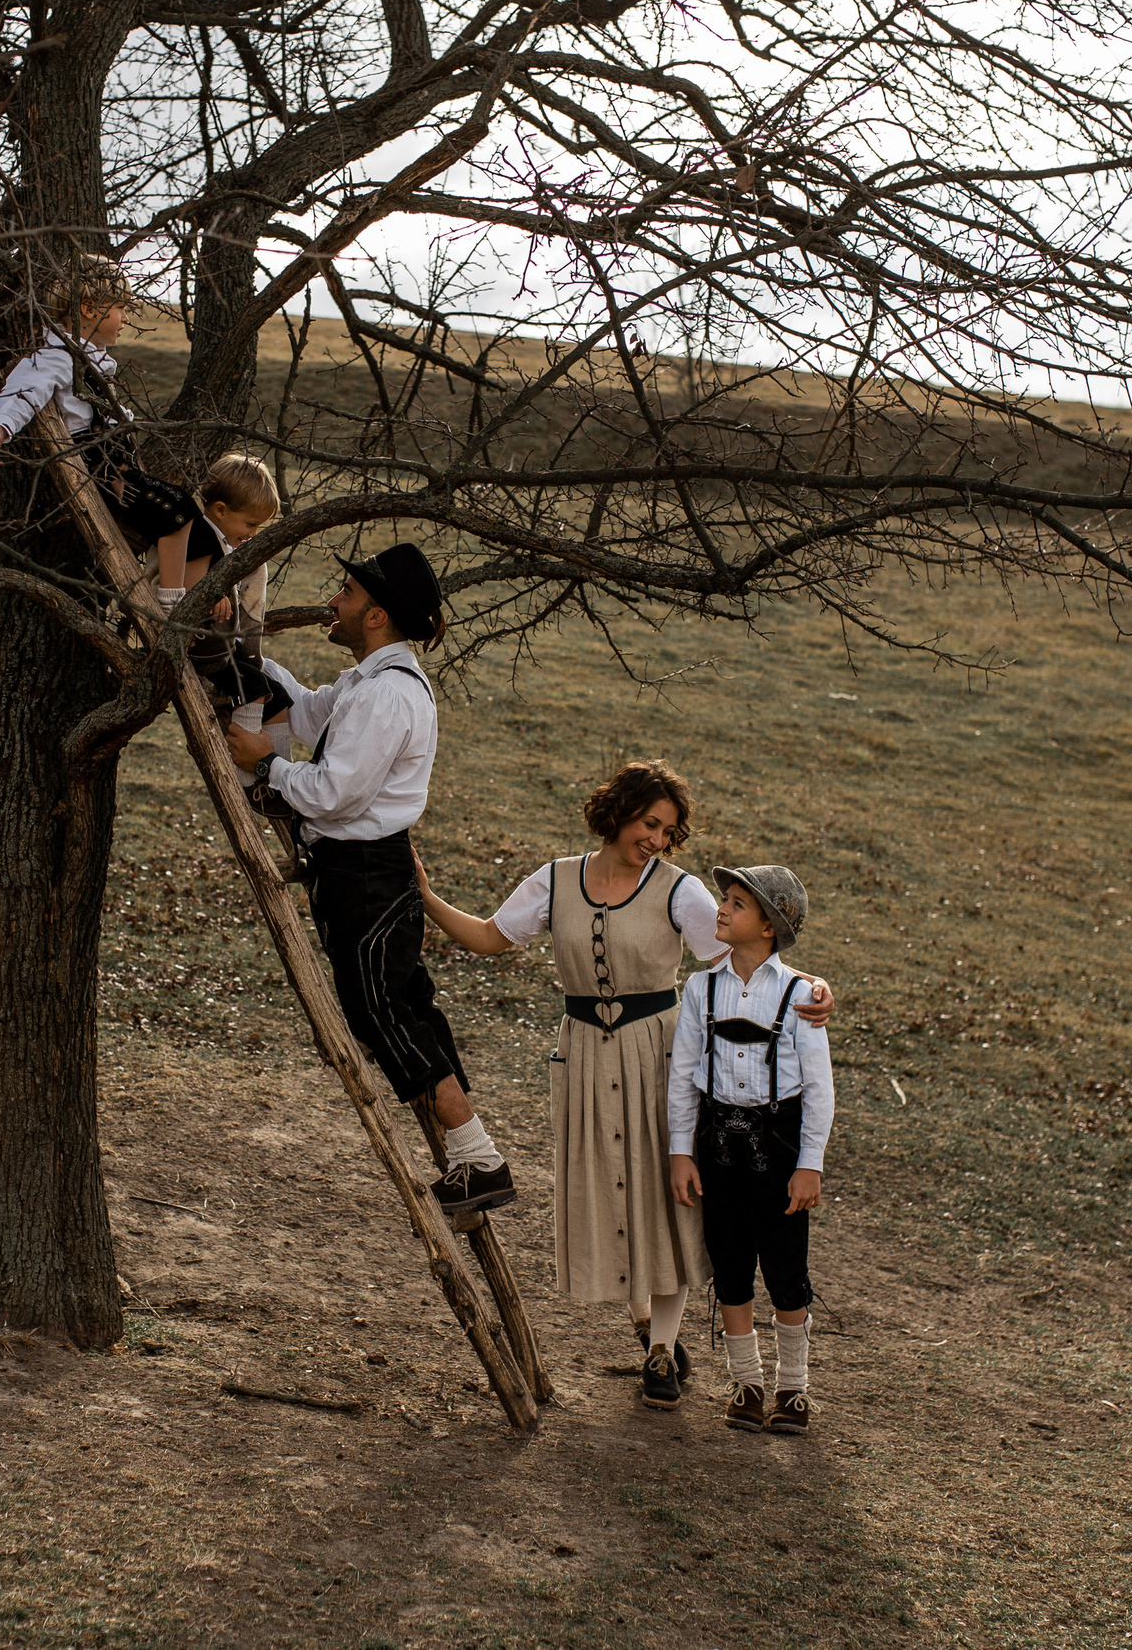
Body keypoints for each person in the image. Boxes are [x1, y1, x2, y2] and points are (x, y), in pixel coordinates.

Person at [415, 764, 832, 1411]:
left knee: (665, 1202)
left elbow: (746, 955)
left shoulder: (680, 890)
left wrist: (812, 987)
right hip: (583, 1053)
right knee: (607, 1191)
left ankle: (661, 1348)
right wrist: (424, 895)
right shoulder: (556, 879)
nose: (657, 840)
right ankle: (645, 1317)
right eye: (649, 823)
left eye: (668, 831)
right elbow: (490, 937)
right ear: (617, 812)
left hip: (658, 1053)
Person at [224, 543, 517, 1217]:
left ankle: (479, 1158)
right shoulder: (368, 683)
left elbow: (335, 793)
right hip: (362, 869)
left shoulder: (387, 693)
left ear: (378, 614)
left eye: (348, 594)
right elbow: (307, 712)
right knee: (403, 1003)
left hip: (365, 873)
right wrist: (249, 658)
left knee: (378, 1009)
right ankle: (473, 1154)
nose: (334, 602)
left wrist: (267, 764)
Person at [667, 865, 833, 1436]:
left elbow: (819, 1089)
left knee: (785, 1268)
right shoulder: (700, 988)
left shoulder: (801, 995)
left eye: (737, 903)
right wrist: (680, 1151)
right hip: (716, 1144)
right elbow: (683, 1076)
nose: (722, 908)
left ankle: (794, 1387)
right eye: (725, 899)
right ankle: (746, 1383)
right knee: (730, 1262)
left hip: (780, 1146)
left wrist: (809, 1164)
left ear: (769, 926)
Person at [0, 257, 192, 546]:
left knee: (193, 526)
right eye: (121, 308)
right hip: (98, 466)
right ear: (88, 309)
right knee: (178, 512)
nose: (126, 318)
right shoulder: (57, 356)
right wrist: (0, 428)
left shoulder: (91, 357)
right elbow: (24, 389)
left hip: (115, 463)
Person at [155, 454, 292, 785]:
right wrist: (211, 594)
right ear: (220, 510)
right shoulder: (201, 535)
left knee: (279, 697)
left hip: (221, 649)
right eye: (250, 524)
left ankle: (279, 778)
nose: (253, 533)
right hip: (202, 651)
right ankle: (249, 775)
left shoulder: (225, 543)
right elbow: (185, 593)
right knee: (254, 688)